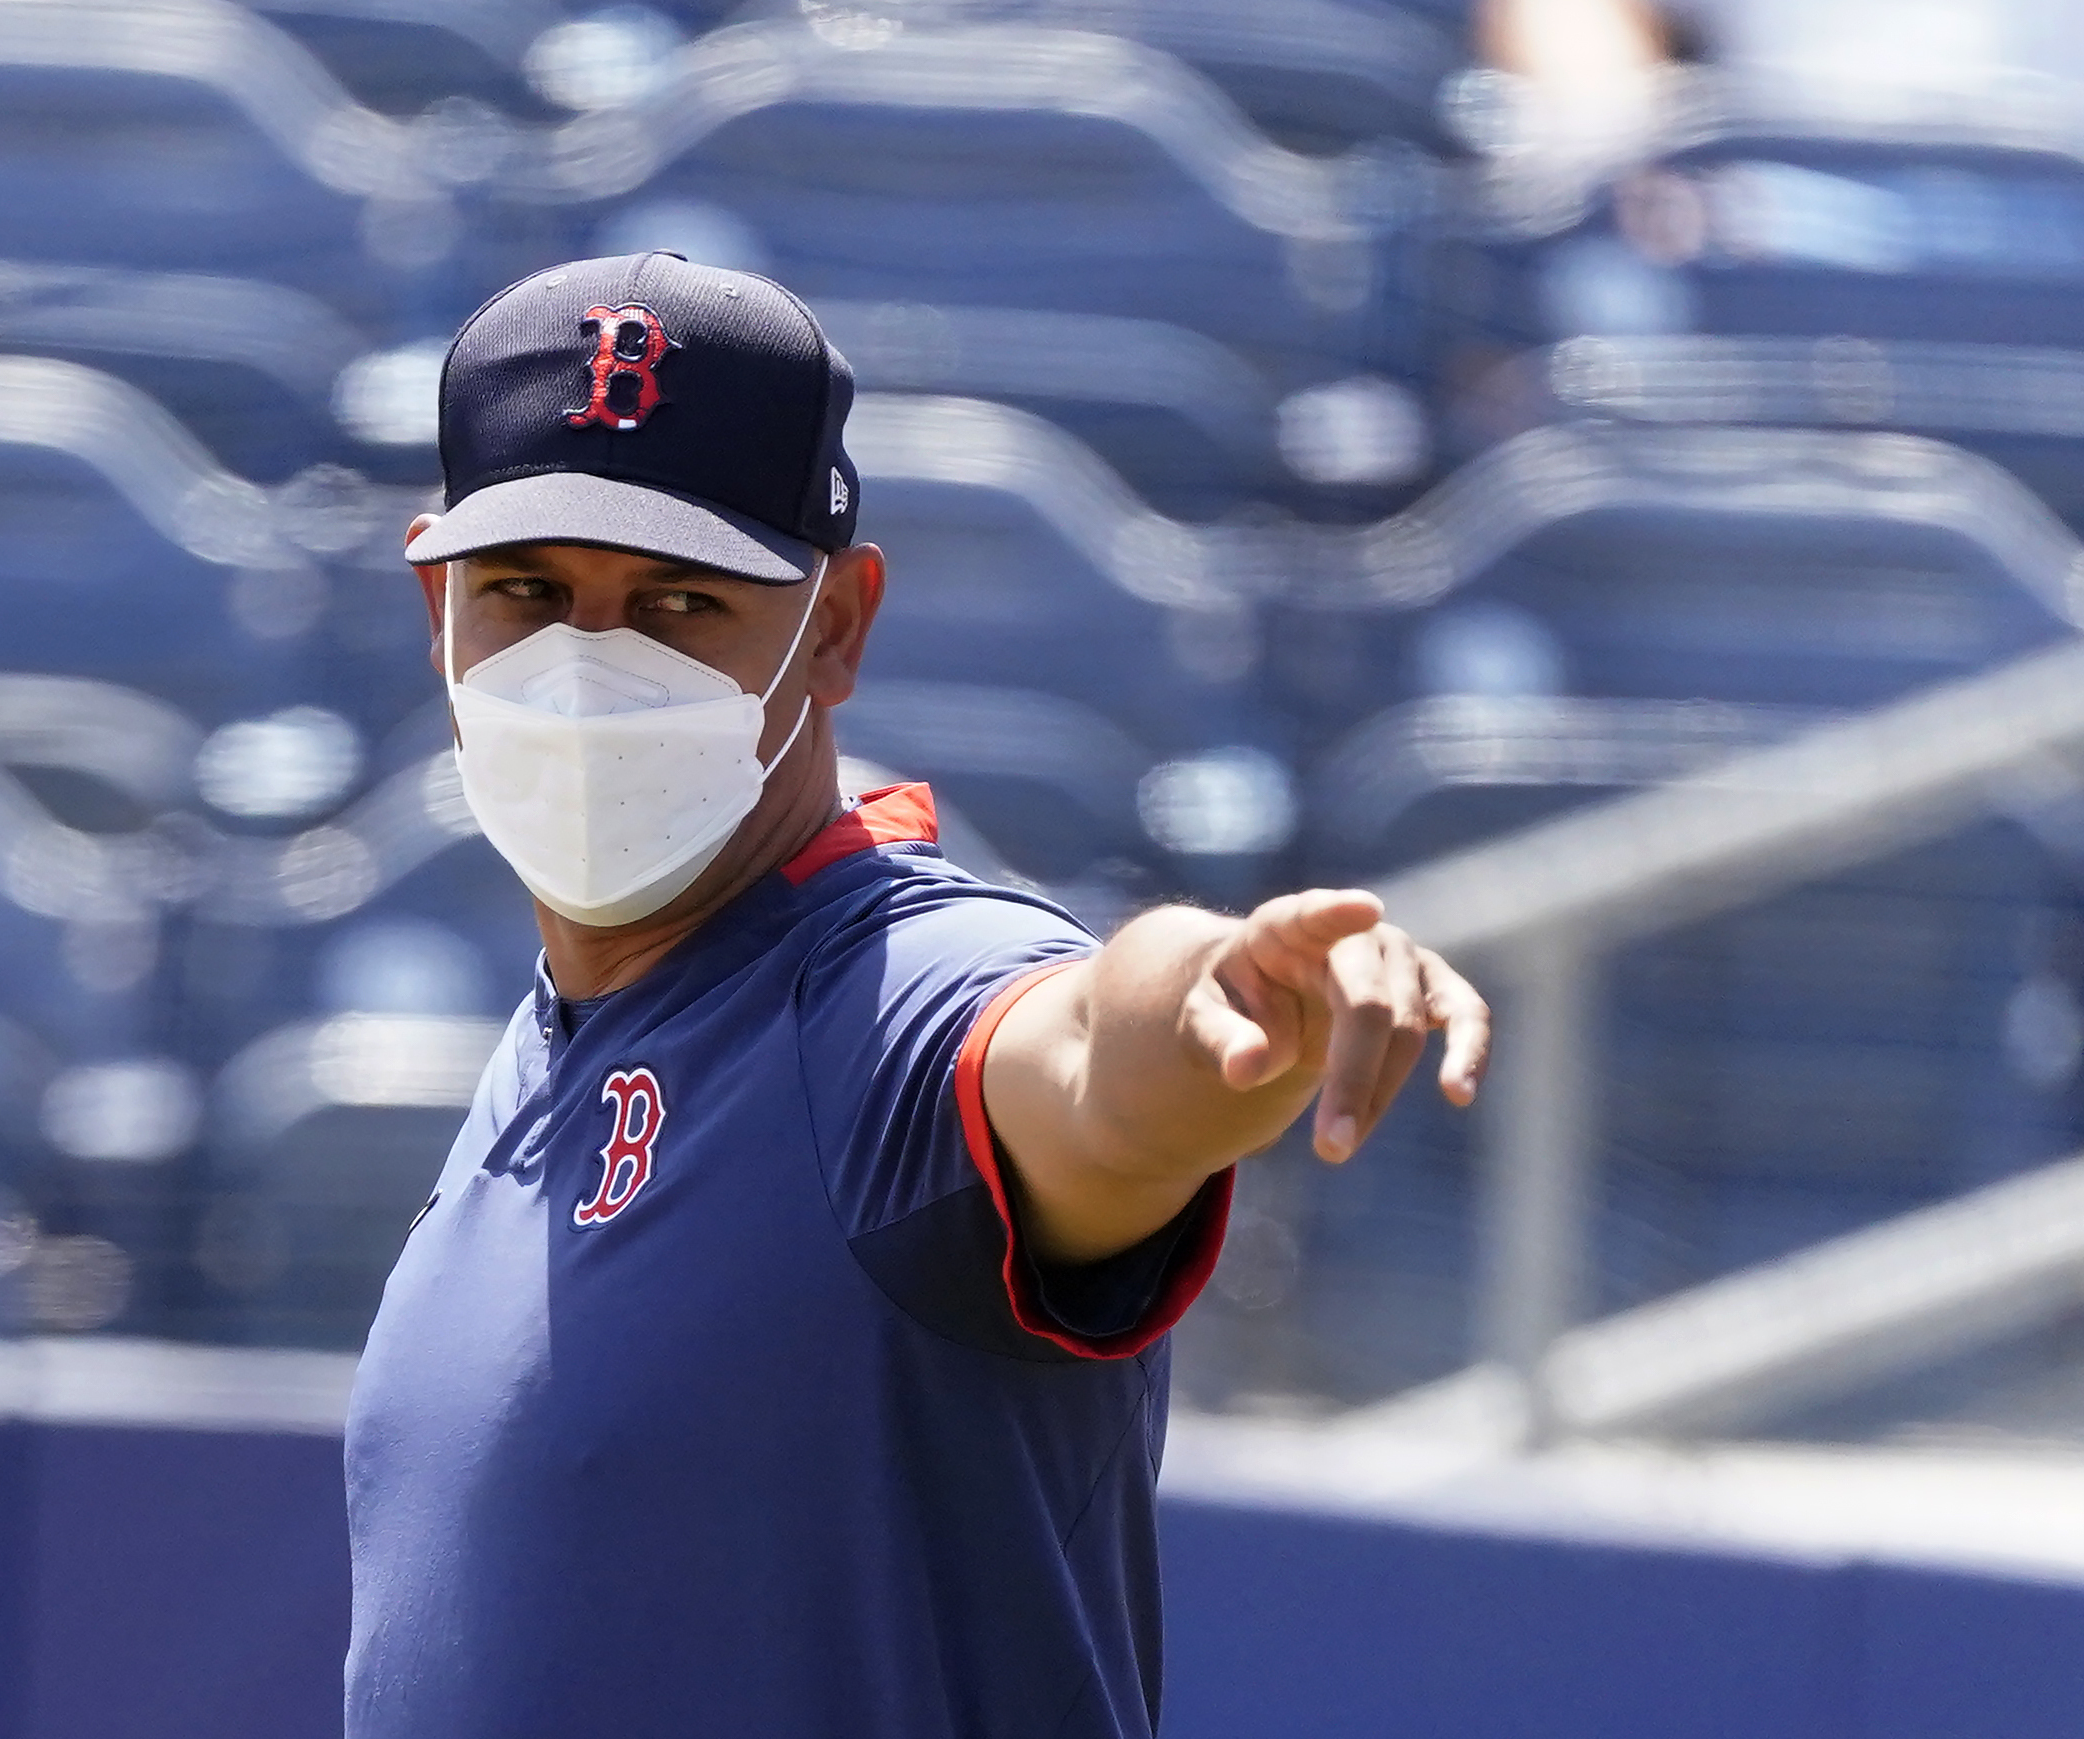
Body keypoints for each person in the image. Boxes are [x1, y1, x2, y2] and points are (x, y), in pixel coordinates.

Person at [341, 251, 1491, 1738]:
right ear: (436, 598)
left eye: (681, 602)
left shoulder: (880, 1012)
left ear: (833, 628)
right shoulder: (567, 1030)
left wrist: (1228, 993)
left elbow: (1080, 1052)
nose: (586, 664)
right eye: (527, 592)